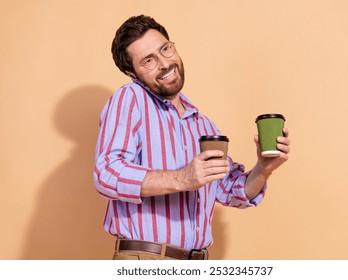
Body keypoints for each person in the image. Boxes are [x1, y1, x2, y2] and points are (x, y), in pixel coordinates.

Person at [93, 15, 290, 260]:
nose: (164, 63)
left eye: (165, 49)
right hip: (146, 260)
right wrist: (183, 178)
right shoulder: (130, 98)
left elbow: (230, 190)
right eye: (148, 61)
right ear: (132, 72)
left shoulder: (202, 124)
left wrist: (263, 168)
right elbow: (107, 174)